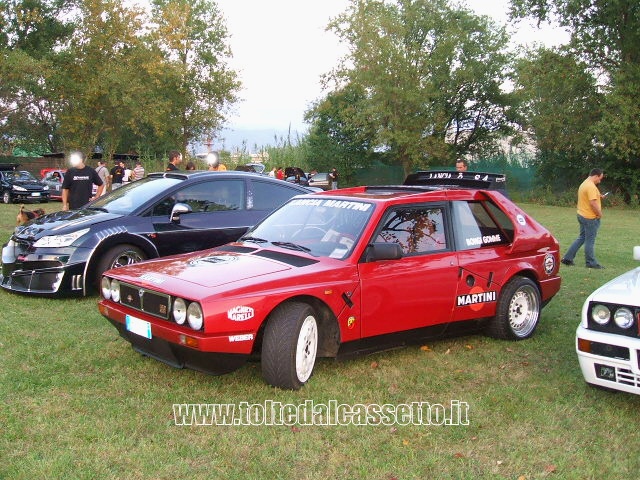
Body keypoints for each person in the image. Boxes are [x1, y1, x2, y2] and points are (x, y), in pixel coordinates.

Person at [561, 168, 606, 269]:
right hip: (590, 218)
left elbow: (589, 196)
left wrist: (599, 196)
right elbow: (592, 203)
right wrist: (599, 213)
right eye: (600, 178)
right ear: (595, 176)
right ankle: (591, 262)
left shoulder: (585, 183)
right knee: (590, 240)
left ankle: (567, 259)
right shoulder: (591, 186)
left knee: (582, 238)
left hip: (581, 215)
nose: (600, 181)